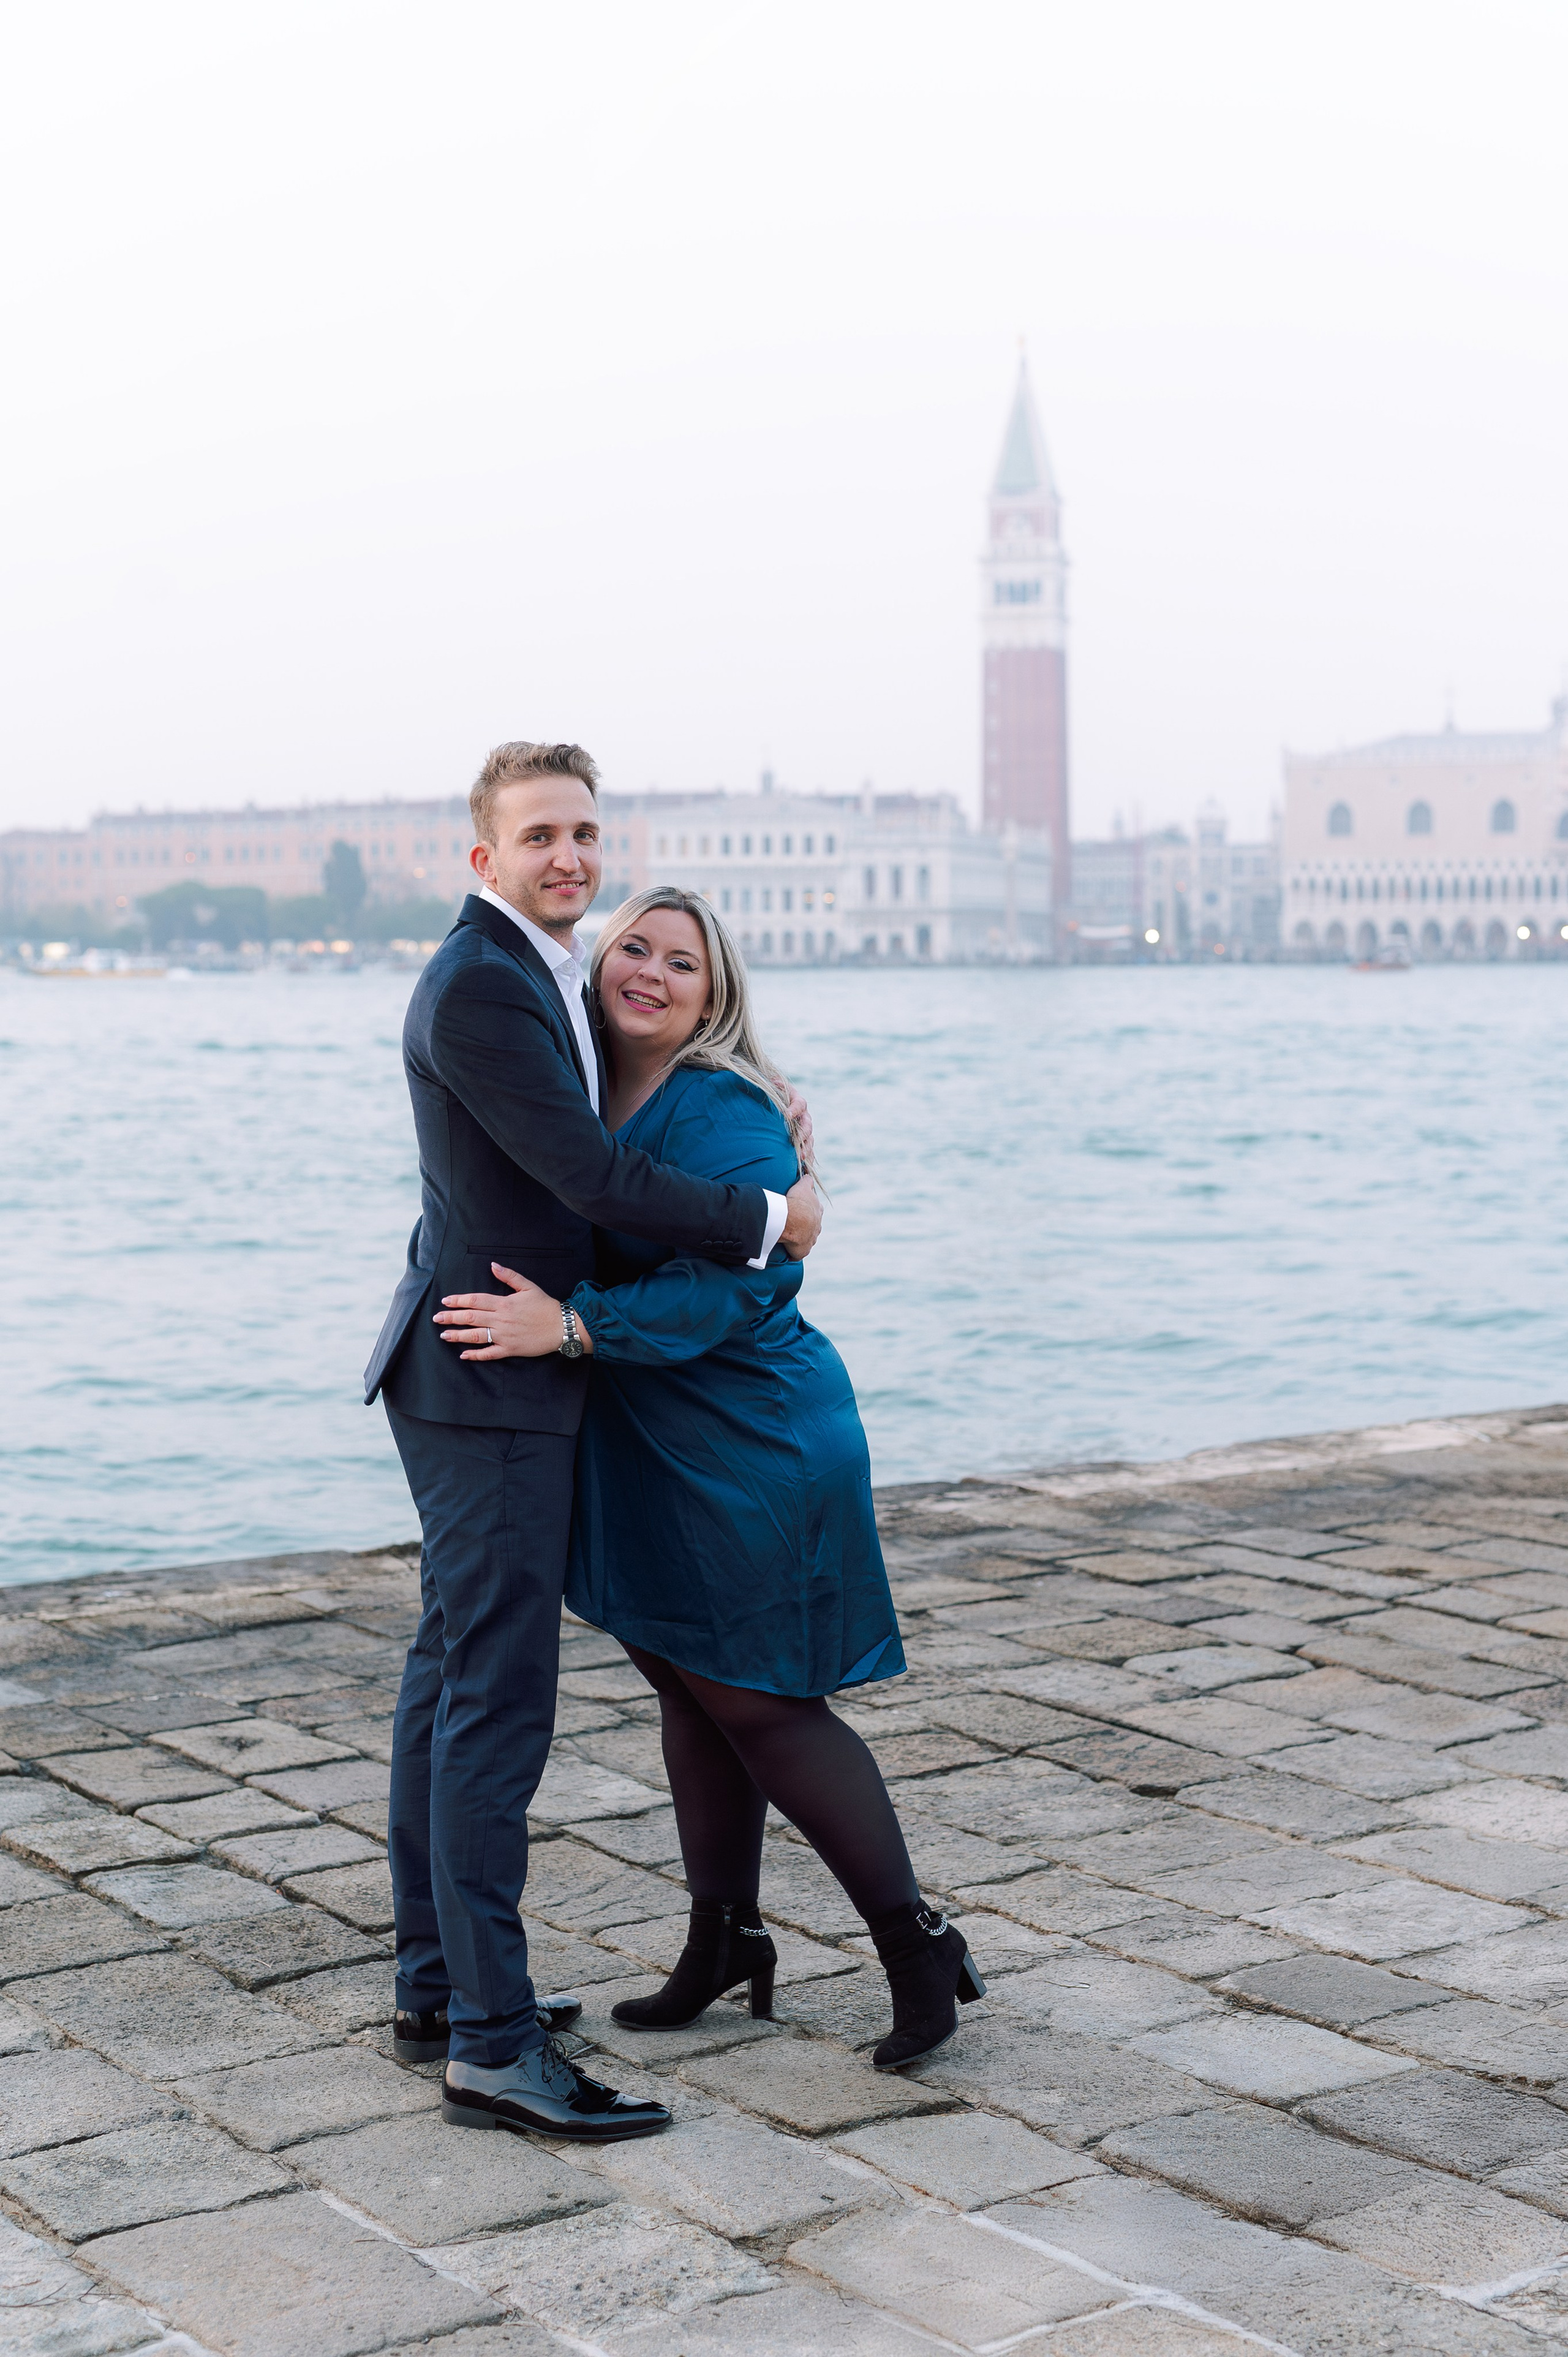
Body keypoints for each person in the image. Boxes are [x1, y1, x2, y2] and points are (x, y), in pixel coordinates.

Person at [435, 887, 986, 2073]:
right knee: (690, 1695)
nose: (648, 971)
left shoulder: (729, 1107)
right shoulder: (584, 1082)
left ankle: (915, 1943)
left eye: (680, 962)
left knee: (765, 1704)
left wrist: (570, 1328)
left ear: (714, 992)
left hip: (752, 1436)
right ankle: (725, 1936)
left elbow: (739, 1287)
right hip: (657, 1443)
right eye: (631, 945)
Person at [364, 743, 823, 2146]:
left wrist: (743, 1098)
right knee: (494, 1705)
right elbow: (587, 1175)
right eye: (539, 834)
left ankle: (443, 1988)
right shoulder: (484, 985)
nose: (569, 854)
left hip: (472, 1364)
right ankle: (494, 2049)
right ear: (481, 855)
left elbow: (566, 1155)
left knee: (451, 1676)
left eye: (583, 831)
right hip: (488, 1382)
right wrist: (770, 1215)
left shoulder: (527, 970)